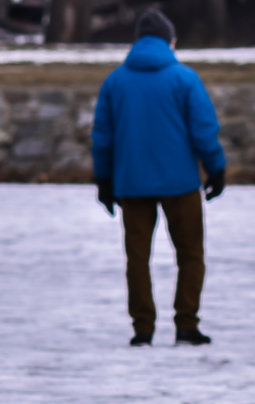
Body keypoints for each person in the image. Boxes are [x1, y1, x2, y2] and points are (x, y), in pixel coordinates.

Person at [91, 8, 226, 346]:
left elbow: (102, 137)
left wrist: (104, 181)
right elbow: (204, 130)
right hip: (181, 184)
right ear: (170, 40)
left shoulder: (115, 81)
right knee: (190, 254)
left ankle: (143, 328)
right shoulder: (184, 78)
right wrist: (216, 168)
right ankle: (186, 324)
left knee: (137, 258)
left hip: (131, 184)